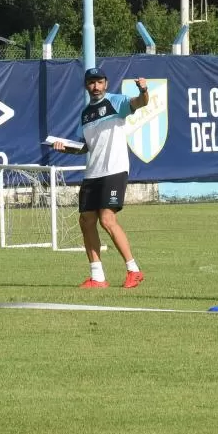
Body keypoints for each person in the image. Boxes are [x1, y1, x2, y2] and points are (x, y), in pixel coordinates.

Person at [52, 67, 150, 288]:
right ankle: (97, 276)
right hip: (93, 173)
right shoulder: (85, 113)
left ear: (106, 83)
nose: (95, 86)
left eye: (99, 82)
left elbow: (141, 103)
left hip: (114, 170)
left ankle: (133, 270)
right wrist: (63, 147)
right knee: (86, 221)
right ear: (86, 86)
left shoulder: (116, 102)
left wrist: (144, 90)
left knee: (107, 219)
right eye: (91, 82)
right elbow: (84, 147)